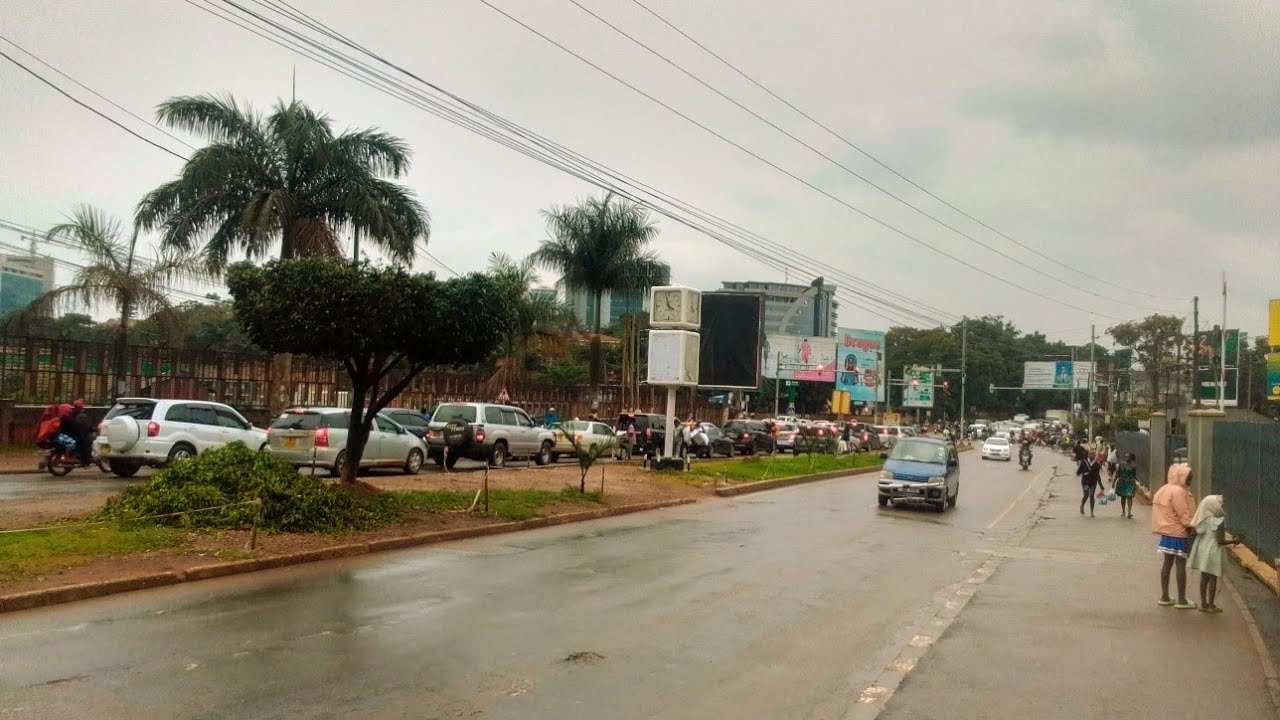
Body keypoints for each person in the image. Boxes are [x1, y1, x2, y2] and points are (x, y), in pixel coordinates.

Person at [1152, 464, 1197, 609]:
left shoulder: (1164, 489)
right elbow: (1184, 513)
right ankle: (1182, 600)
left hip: (1167, 532)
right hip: (1179, 532)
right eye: (1188, 477)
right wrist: (1190, 526)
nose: (1190, 479)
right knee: (1180, 565)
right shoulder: (1179, 492)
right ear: (1181, 476)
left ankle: (1164, 596)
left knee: (1167, 563)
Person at [1188, 495, 1240, 614]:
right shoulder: (1219, 521)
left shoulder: (1202, 519)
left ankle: (1203, 604)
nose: (1221, 507)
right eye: (1220, 505)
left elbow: (1195, 532)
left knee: (1204, 577)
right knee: (1213, 578)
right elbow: (1220, 541)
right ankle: (1211, 605)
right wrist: (1234, 541)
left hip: (1203, 549)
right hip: (1214, 551)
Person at [1075, 443, 1106, 516]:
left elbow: (1098, 475)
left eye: (1093, 454)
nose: (1092, 455)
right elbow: (1077, 472)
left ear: (1095, 455)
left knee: (1091, 495)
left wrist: (1101, 485)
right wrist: (1084, 472)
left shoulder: (1097, 464)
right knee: (1086, 495)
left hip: (1093, 482)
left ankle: (1092, 512)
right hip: (1085, 482)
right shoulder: (1084, 462)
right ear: (1088, 455)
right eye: (1090, 454)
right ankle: (1082, 505)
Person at [1114, 452, 1138, 518]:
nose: (1126, 458)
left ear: (1131, 458)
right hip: (1122, 482)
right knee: (1123, 497)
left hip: (1130, 482)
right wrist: (1114, 482)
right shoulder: (1121, 464)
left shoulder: (1133, 466)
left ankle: (1129, 512)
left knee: (1130, 497)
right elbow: (1117, 473)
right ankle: (1123, 511)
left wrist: (1138, 481)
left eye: (1128, 456)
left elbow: (1134, 475)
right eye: (1125, 456)